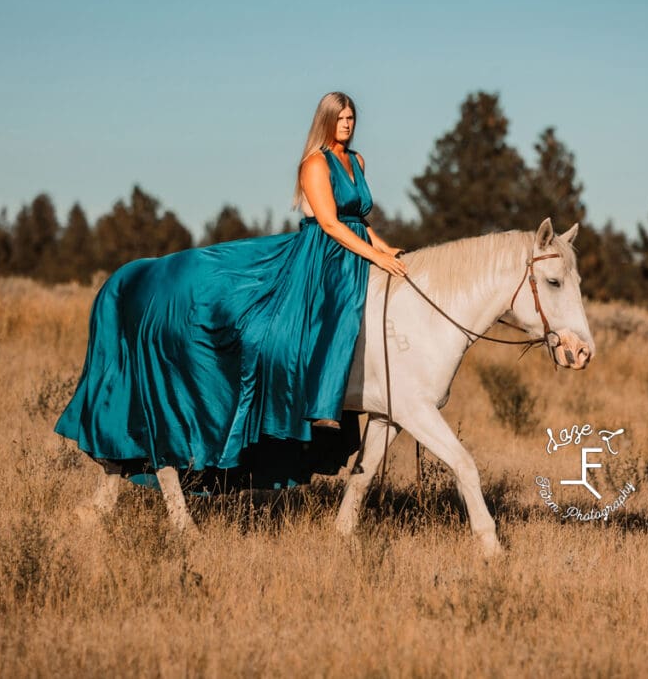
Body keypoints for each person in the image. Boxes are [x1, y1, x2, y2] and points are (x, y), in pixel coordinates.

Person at [54, 91, 406, 488]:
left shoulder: (356, 161)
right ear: (326, 120)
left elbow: (356, 219)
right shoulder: (314, 164)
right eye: (341, 118)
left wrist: (383, 247)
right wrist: (374, 256)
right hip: (319, 256)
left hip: (352, 251)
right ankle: (313, 405)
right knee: (296, 329)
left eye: (352, 117)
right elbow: (330, 223)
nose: (348, 124)